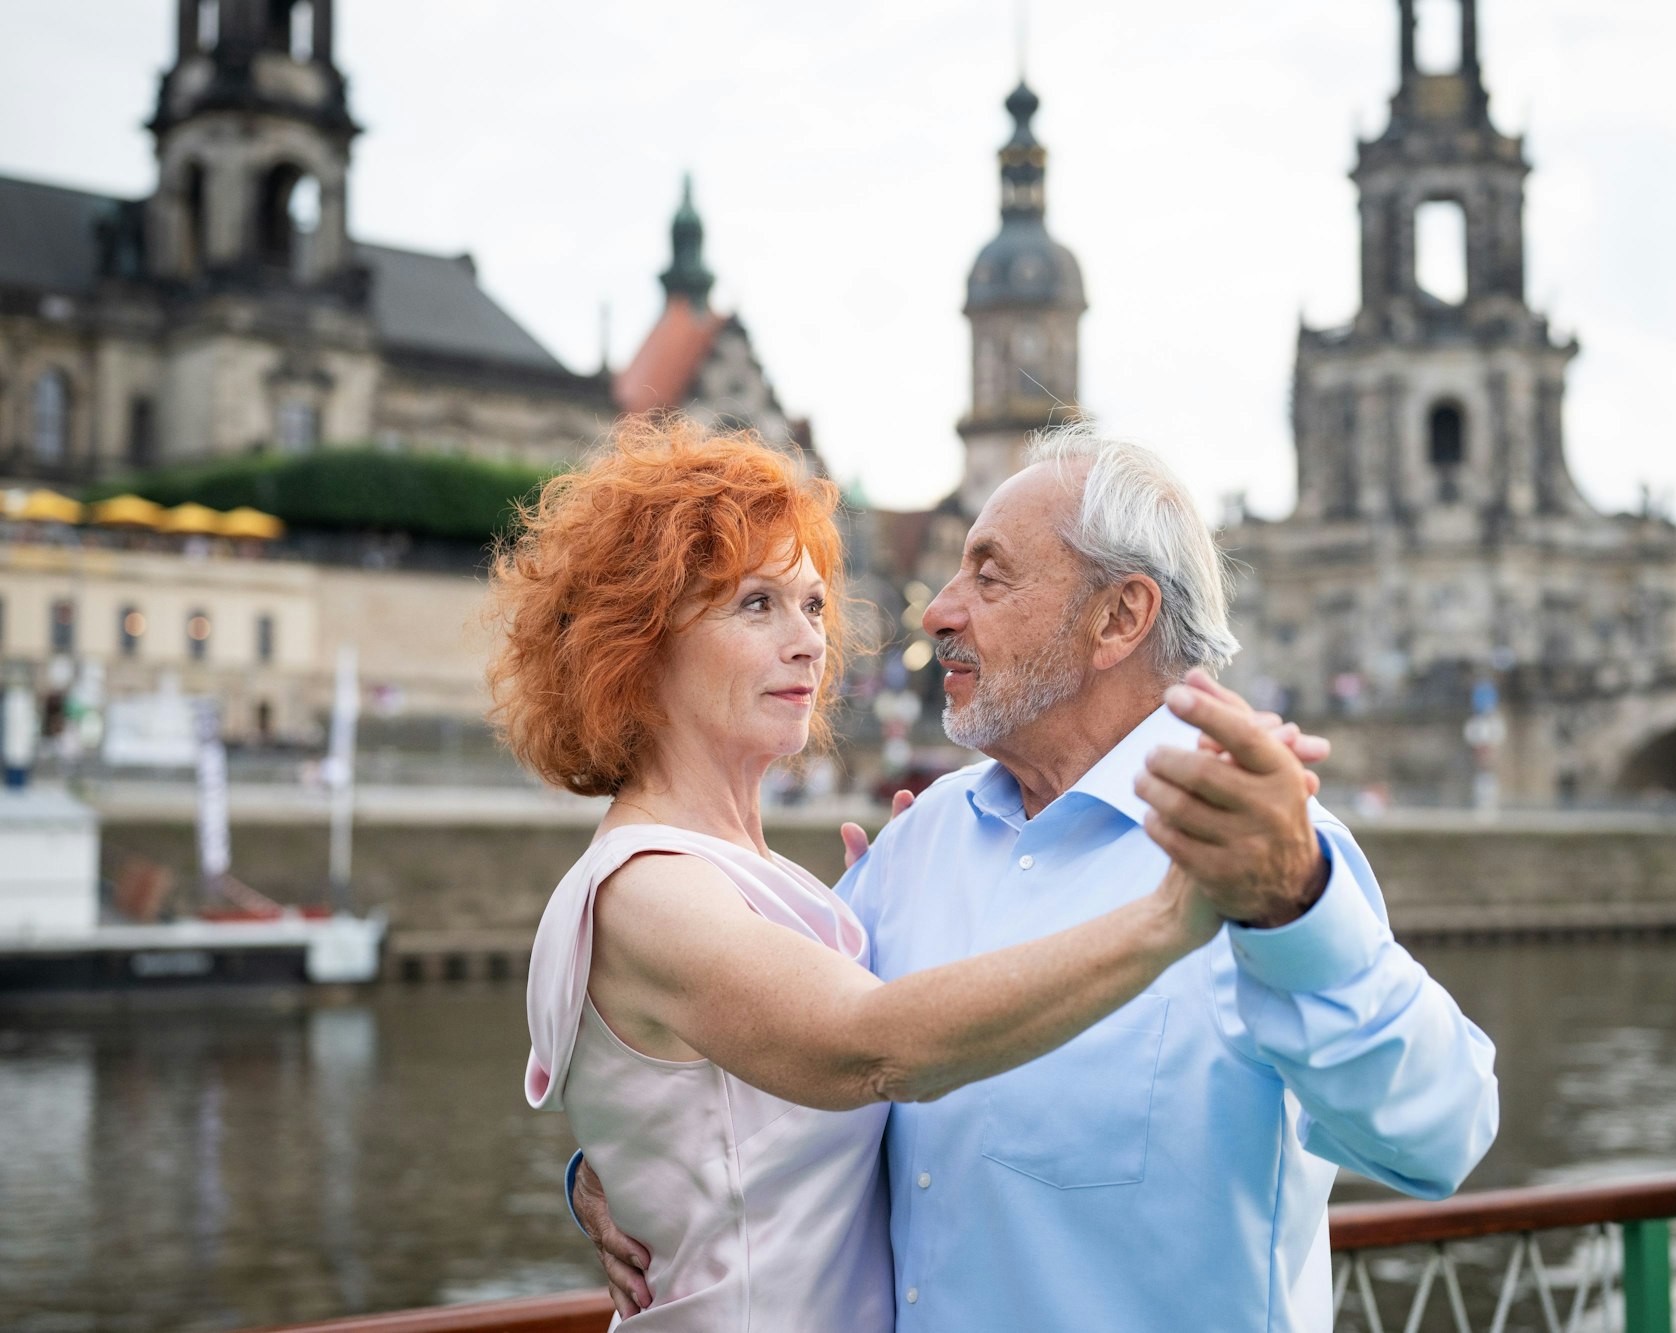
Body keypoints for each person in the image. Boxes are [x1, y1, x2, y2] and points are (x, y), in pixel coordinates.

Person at [574, 425, 1501, 1331]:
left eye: (990, 574)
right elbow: (788, 1062)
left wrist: (1298, 903)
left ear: (1117, 618)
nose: (938, 610)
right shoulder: (917, 844)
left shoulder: (1263, 859)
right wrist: (622, 1157)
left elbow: (1439, 1137)